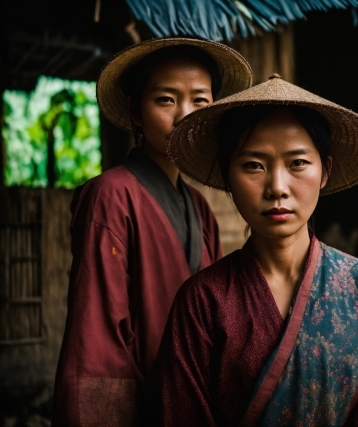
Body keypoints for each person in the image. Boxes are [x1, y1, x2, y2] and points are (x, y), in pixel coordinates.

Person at [158, 74, 358, 426]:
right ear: (228, 177)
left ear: (325, 171)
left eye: (297, 164)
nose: (277, 187)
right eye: (254, 166)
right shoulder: (202, 302)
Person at [53, 38, 253, 427]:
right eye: (166, 100)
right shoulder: (110, 195)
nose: (185, 115)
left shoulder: (199, 208)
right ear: (136, 111)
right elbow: (97, 334)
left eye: (200, 101)